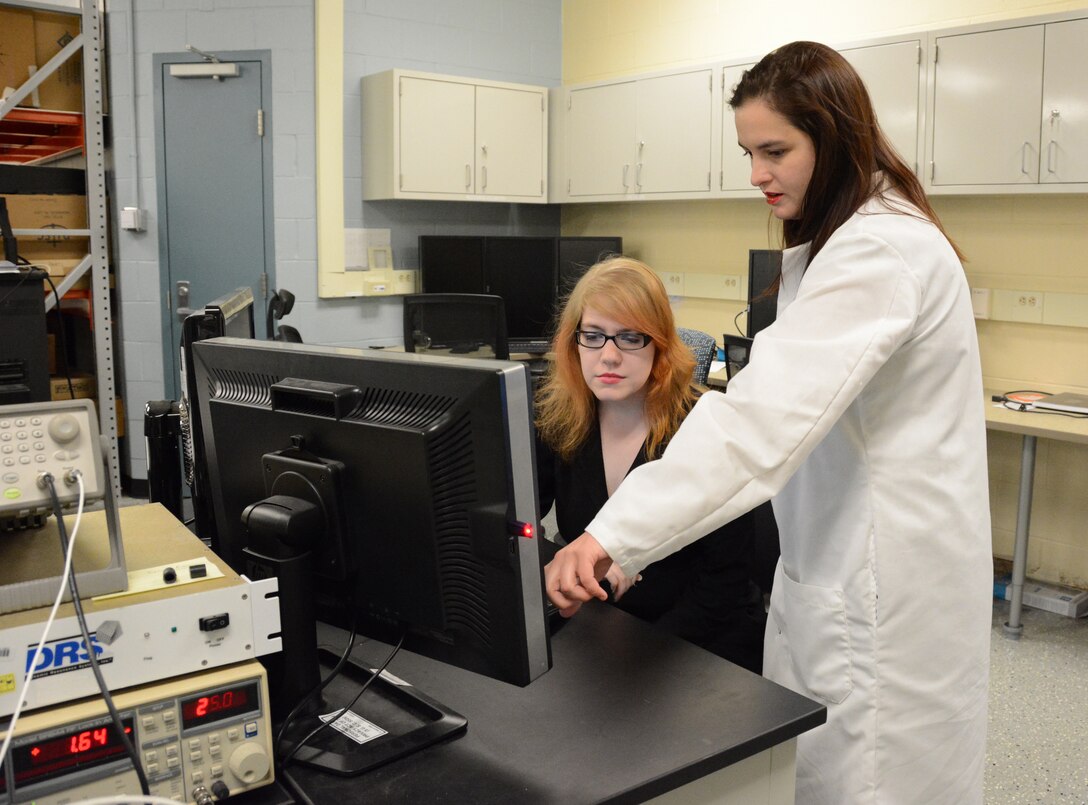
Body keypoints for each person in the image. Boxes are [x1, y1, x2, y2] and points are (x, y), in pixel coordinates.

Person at [544, 41, 992, 805]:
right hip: (838, 573)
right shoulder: (844, 243)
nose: (756, 173)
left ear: (835, 137)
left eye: (775, 151)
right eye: (749, 152)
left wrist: (613, 534)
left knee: (870, 782)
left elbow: (757, 421)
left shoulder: (881, 250)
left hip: (884, 596)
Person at [535, 256, 766, 673]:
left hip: (700, 645)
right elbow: (515, 518)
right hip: (607, 631)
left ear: (658, 344)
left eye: (630, 338)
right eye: (593, 336)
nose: (608, 356)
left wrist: (636, 655)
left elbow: (725, 582)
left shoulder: (704, 428)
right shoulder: (560, 417)